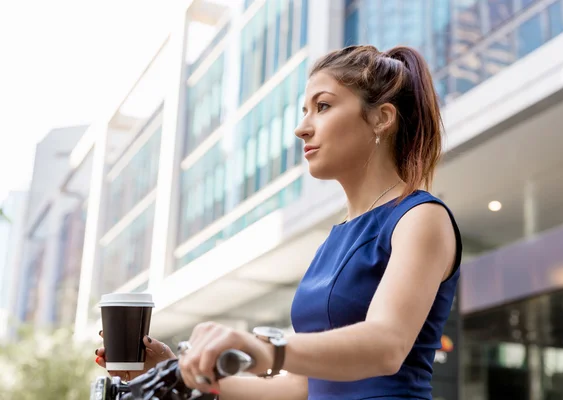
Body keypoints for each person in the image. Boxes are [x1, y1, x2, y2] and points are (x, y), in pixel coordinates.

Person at [95, 44, 462, 400]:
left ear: (382, 117)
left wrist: (265, 347)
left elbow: (387, 345)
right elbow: (299, 388)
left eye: (322, 106)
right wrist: (174, 373)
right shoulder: (334, 239)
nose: (302, 128)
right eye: (305, 111)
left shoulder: (420, 217)